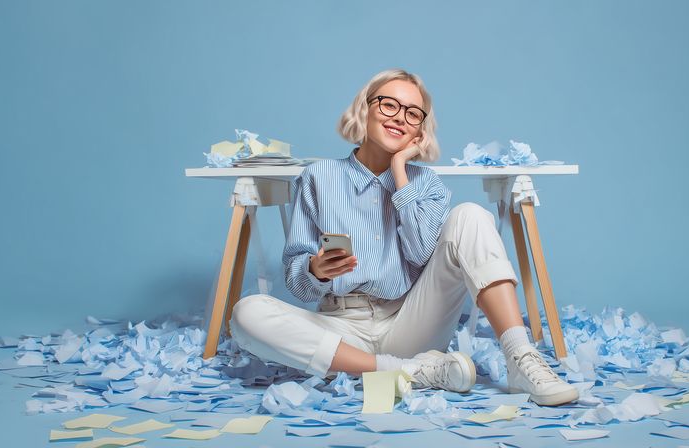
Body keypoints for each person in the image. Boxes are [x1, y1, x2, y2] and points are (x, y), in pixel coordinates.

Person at [230, 69, 578, 406]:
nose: (400, 118)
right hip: (340, 330)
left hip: (412, 322)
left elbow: (421, 254)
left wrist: (400, 175)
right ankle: (405, 372)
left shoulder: (428, 185)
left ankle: (521, 358)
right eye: (388, 105)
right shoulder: (318, 178)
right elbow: (298, 285)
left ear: (421, 130)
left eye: (413, 114)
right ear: (364, 108)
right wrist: (316, 269)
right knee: (247, 313)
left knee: (470, 214)